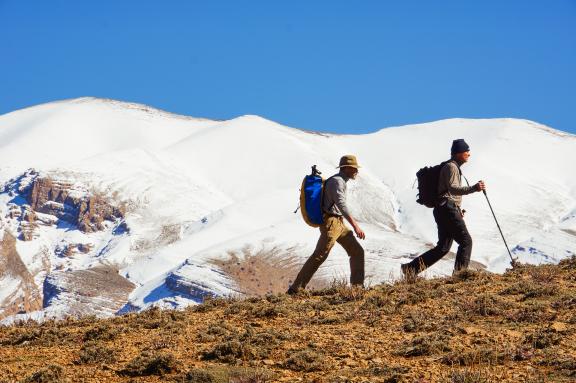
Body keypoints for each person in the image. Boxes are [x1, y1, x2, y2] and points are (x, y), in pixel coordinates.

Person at [401, 139, 486, 277]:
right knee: (466, 242)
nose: (469, 154)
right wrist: (474, 188)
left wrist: (458, 210)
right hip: (447, 209)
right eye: (467, 151)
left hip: (443, 209)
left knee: (443, 248)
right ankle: (459, 276)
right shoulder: (451, 167)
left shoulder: (451, 167)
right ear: (459, 153)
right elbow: (452, 189)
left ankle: (411, 269)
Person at [288, 155, 365, 294]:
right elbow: (342, 205)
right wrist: (355, 226)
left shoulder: (340, 180)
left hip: (338, 223)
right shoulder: (337, 182)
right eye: (354, 168)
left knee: (357, 252)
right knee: (319, 255)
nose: (356, 171)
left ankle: (357, 288)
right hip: (331, 223)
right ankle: (295, 289)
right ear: (347, 168)